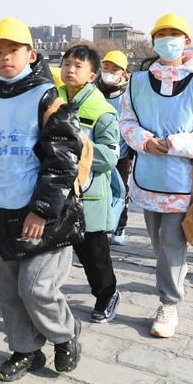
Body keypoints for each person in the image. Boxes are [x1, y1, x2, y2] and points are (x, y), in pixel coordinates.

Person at [0, 17, 84, 381]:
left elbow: (63, 160)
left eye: (12, 50)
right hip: (4, 211)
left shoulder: (47, 98)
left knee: (35, 288)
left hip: (44, 216)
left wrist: (42, 211)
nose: (4, 57)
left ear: (31, 55)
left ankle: (65, 334)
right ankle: (25, 349)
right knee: (10, 292)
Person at [119, 13, 193, 337]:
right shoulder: (137, 82)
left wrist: (176, 143)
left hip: (184, 180)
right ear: (154, 42)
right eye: (162, 35)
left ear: (186, 41)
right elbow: (126, 121)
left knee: (171, 241)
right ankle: (175, 272)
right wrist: (145, 141)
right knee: (159, 242)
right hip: (148, 177)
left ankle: (168, 303)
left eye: (174, 34)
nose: (168, 40)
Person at [58, 45, 121, 323]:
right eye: (66, 64)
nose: (70, 70)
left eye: (78, 66)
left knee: (94, 256)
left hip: (88, 196)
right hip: (55, 192)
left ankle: (107, 294)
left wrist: (77, 146)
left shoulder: (102, 111)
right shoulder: (51, 100)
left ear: (93, 75)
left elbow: (109, 157)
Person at [97, 50, 132, 246]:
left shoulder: (128, 95)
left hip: (121, 155)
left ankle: (120, 226)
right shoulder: (94, 91)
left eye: (115, 69)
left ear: (123, 73)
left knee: (120, 191)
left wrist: (132, 156)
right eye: (106, 67)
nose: (109, 72)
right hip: (98, 153)